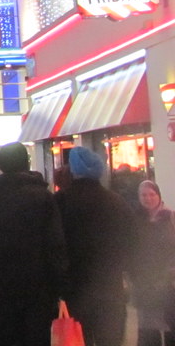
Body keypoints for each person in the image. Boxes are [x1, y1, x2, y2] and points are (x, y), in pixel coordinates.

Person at [0, 142, 67, 346]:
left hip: (4, 281)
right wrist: (61, 285)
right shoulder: (42, 196)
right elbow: (55, 243)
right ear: (26, 163)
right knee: (36, 336)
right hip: (39, 282)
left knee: (7, 335)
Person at [55, 146, 134, 346]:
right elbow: (131, 242)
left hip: (75, 289)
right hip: (110, 287)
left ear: (73, 170)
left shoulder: (61, 202)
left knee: (79, 339)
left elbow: (55, 245)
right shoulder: (116, 202)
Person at [130, 180, 175, 346]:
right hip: (145, 283)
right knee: (148, 330)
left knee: (170, 326)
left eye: (151, 194)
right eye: (143, 195)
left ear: (158, 195)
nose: (148, 198)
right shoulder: (135, 219)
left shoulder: (170, 217)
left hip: (169, 283)